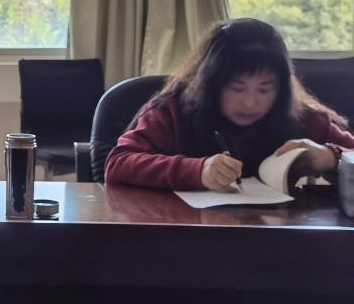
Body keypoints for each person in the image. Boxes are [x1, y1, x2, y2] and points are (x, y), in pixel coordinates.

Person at [105, 18, 354, 190]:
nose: (250, 102)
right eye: (236, 88)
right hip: (182, 235)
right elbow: (118, 163)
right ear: (211, 83)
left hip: (277, 237)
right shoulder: (172, 110)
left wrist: (330, 157)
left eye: (265, 89)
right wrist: (196, 171)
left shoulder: (300, 114)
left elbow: (349, 151)